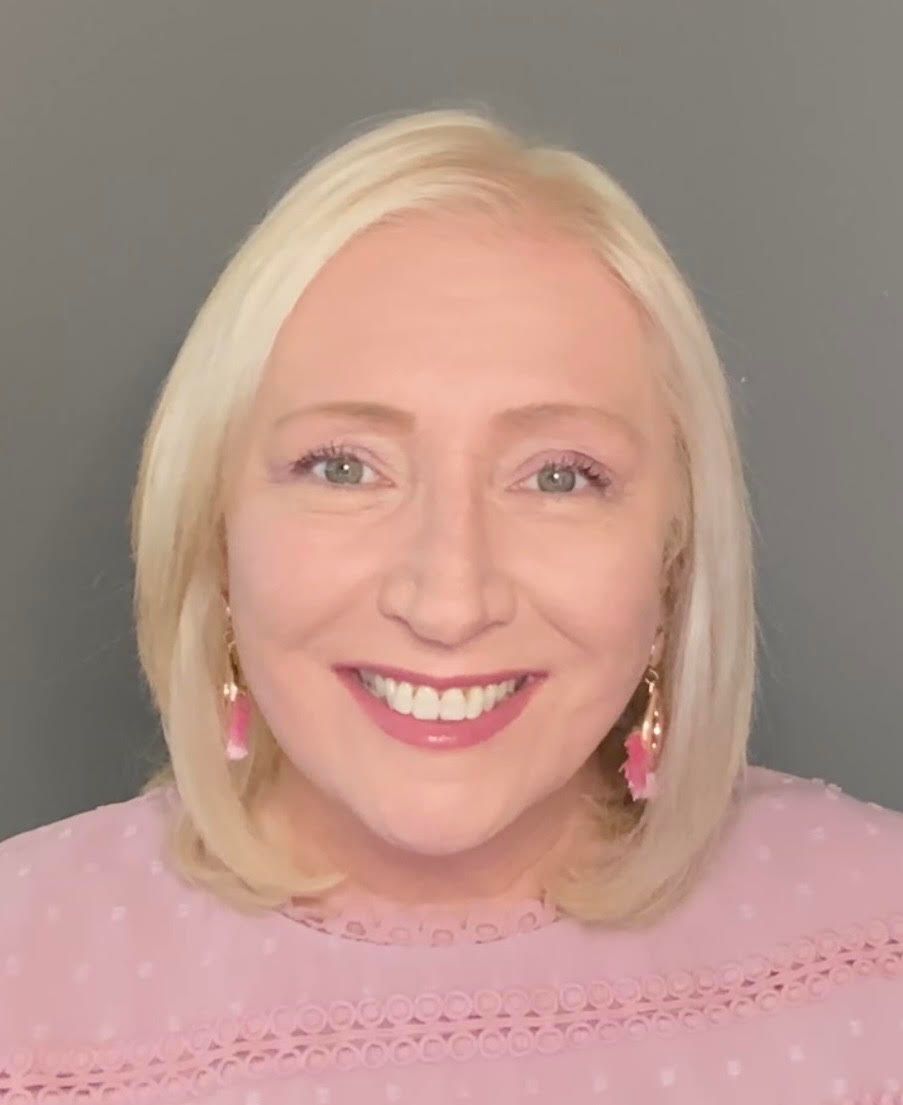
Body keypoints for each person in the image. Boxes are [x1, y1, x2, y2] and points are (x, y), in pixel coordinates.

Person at [1, 107, 901, 1105]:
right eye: (344, 467)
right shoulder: (24, 988)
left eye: (559, 476)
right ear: (216, 533)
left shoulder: (876, 946)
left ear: (673, 559)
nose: (449, 599)